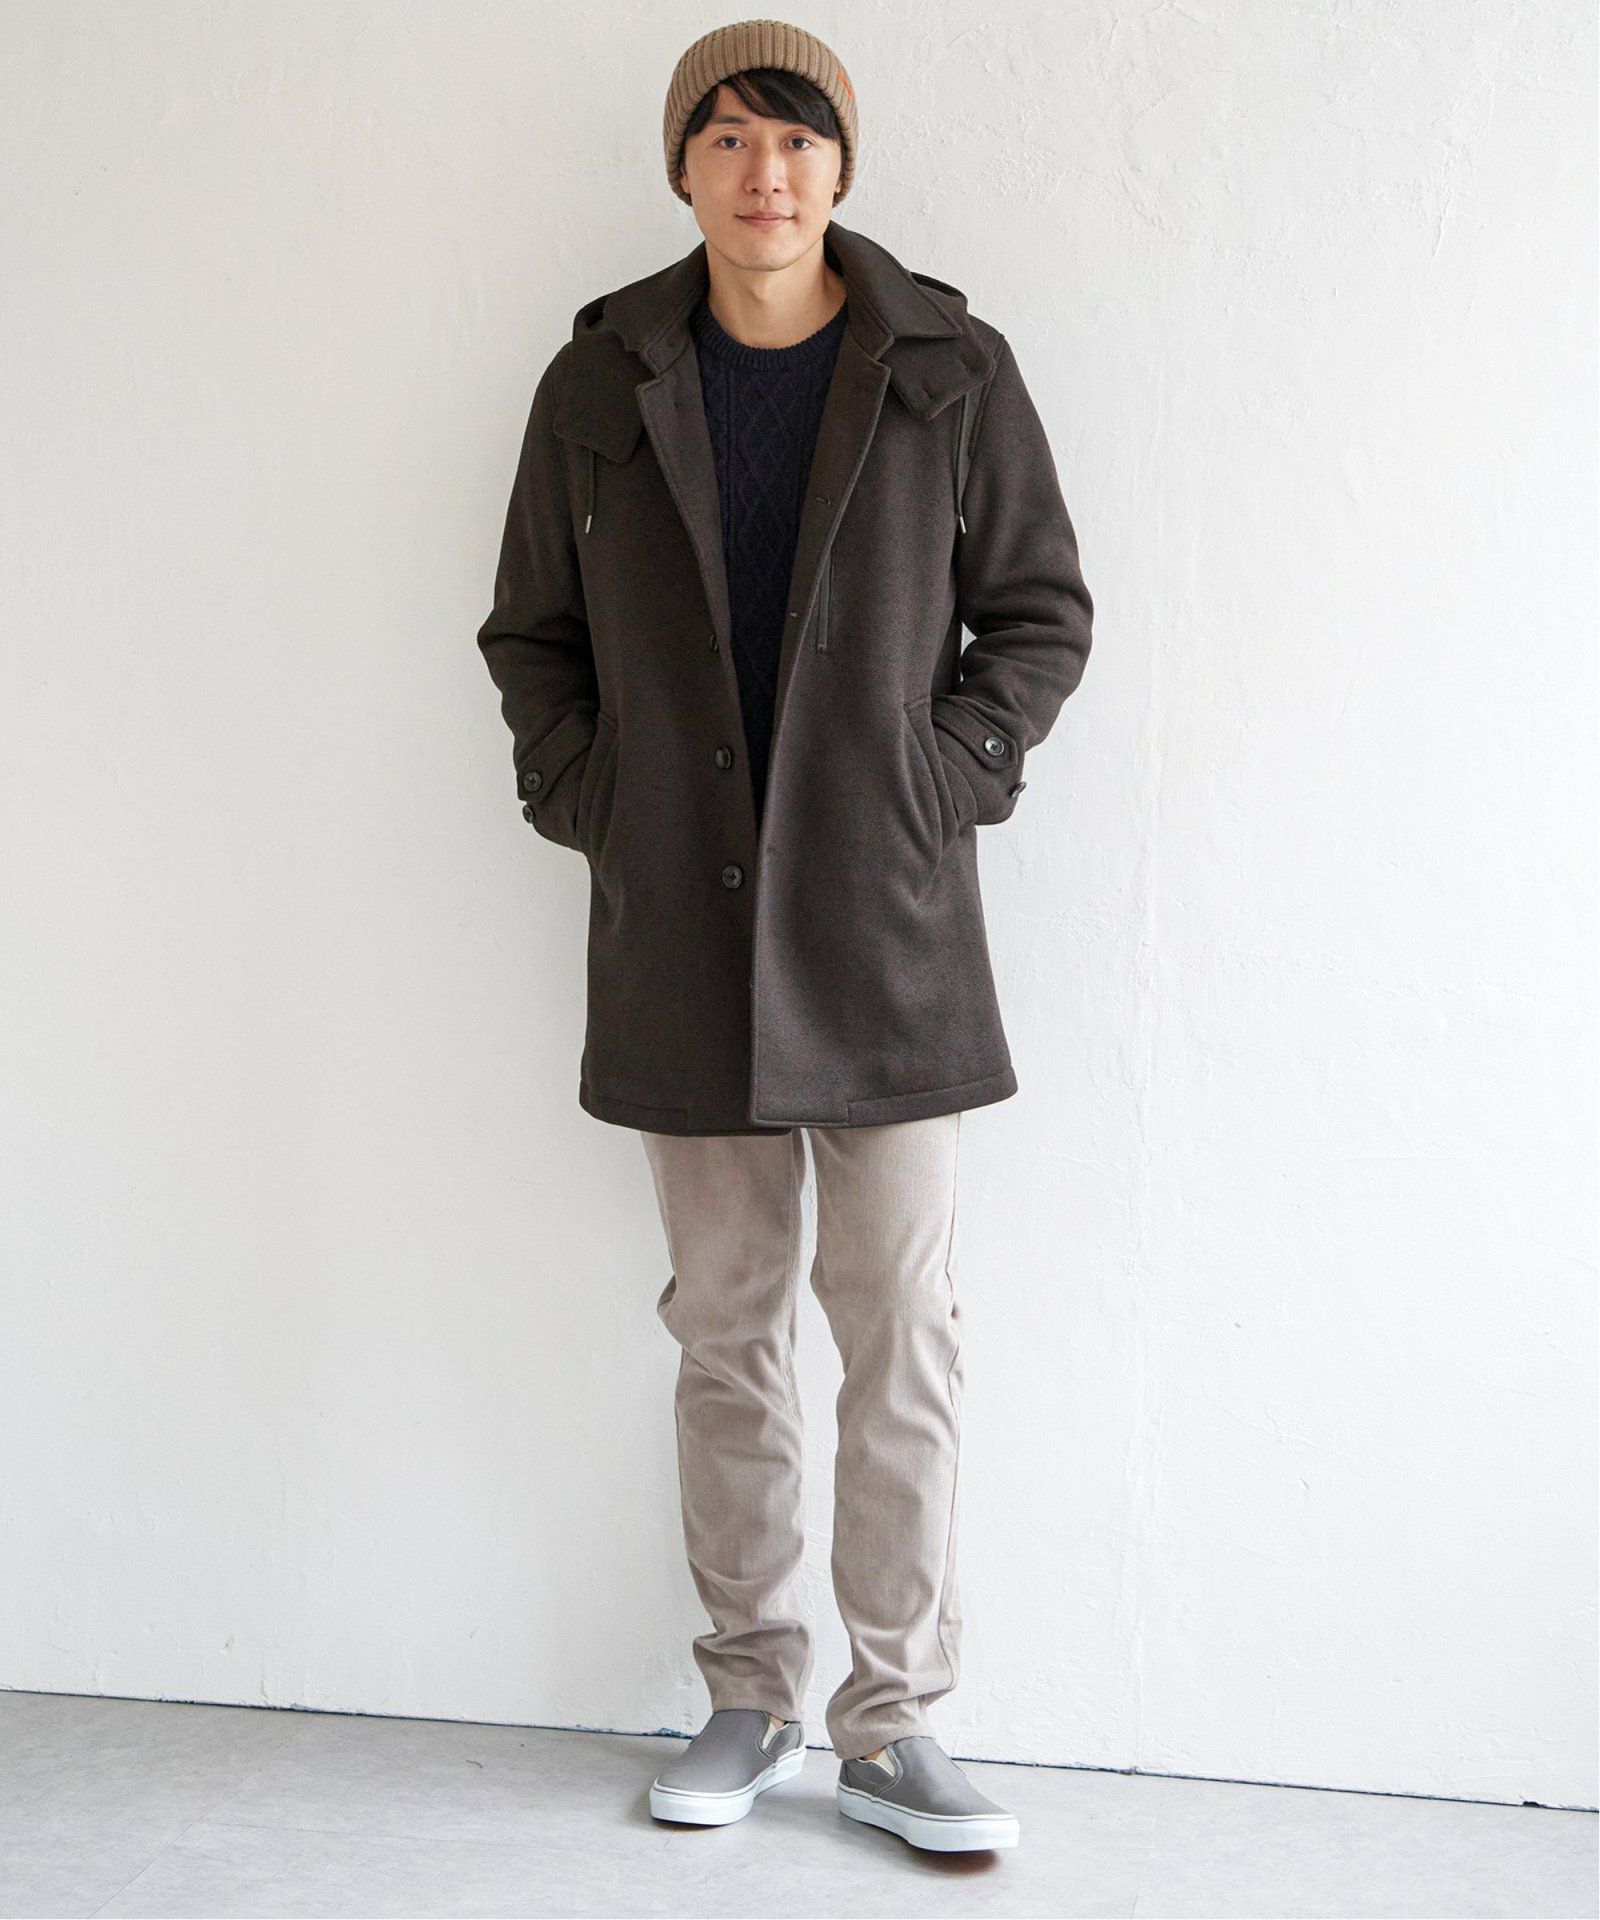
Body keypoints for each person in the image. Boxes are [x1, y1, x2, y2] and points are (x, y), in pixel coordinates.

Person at [475, 18, 1094, 1857]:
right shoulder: (601, 380)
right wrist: (594, 796)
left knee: (902, 1327)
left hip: (885, 926)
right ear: (684, 164)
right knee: (727, 1327)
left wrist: (939, 779)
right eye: (731, 138)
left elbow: (1039, 613)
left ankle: (895, 1724)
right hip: (681, 919)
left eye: (799, 140)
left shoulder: (947, 368)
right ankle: (749, 1695)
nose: (768, 174)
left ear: (843, 167)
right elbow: (530, 637)